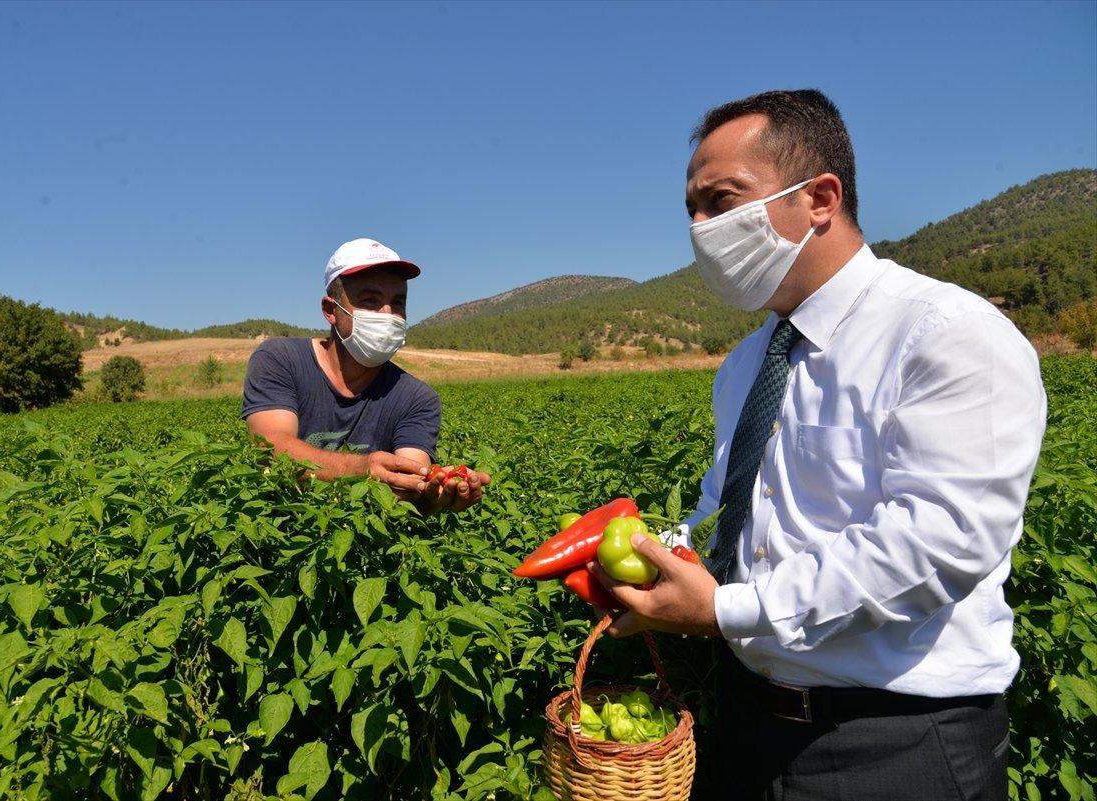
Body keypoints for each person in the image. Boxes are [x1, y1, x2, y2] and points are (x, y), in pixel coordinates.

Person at [591, 90, 1046, 800]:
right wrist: (651, 557)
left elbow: (940, 542)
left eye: (722, 200)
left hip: (894, 744)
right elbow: (729, 507)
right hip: (749, 726)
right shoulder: (747, 364)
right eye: (693, 208)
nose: (701, 227)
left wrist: (721, 611)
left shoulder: (945, 332)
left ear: (821, 199)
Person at [242, 237, 490, 513]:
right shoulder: (281, 360)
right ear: (331, 310)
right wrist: (362, 467)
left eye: (398, 303)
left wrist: (433, 491)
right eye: (370, 301)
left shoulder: (417, 398)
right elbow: (270, 447)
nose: (388, 315)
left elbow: (408, 476)